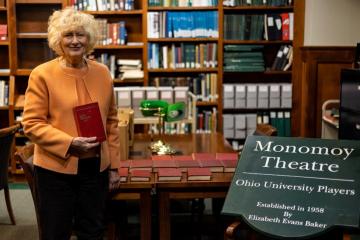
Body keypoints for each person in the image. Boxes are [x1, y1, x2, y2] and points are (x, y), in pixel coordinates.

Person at [22, 7, 121, 240]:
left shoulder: (103, 72)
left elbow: (112, 121)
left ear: (89, 38)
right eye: (68, 35)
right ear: (58, 39)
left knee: (93, 231)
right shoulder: (42, 74)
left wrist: (114, 167)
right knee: (56, 232)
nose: (75, 41)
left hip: (96, 169)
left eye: (80, 35)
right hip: (56, 170)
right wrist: (69, 143)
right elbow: (32, 123)